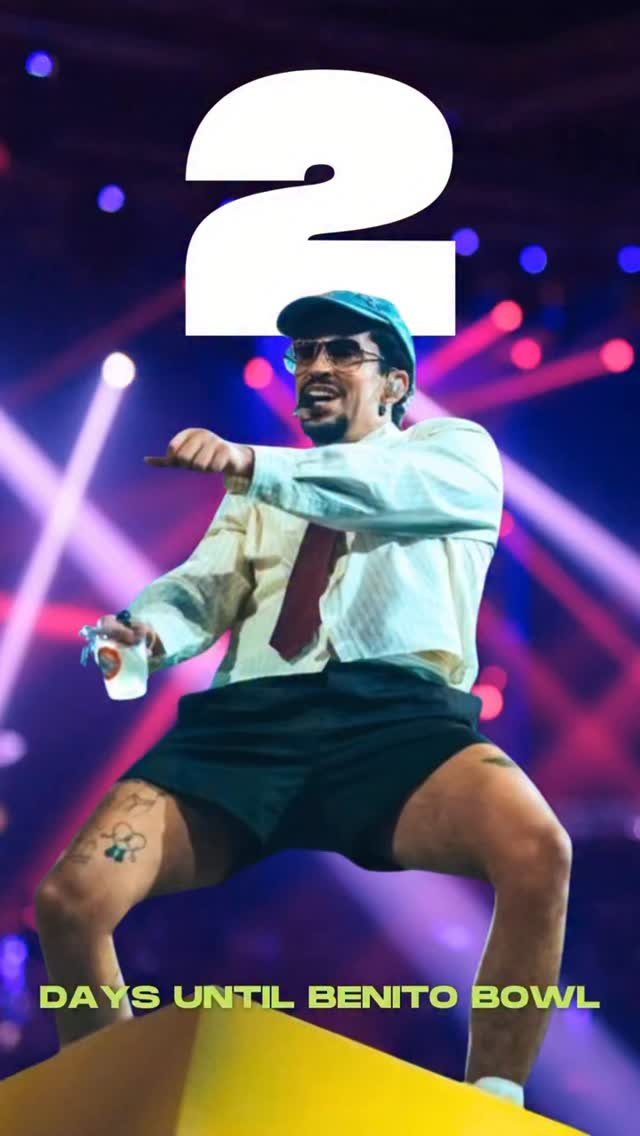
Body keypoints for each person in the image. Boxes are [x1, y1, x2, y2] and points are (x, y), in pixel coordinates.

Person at [35, 290, 571, 1109]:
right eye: (305, 354)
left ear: (395, 383)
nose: (316, 366)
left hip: (397, 718)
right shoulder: (260, 487)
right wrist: (144, 631)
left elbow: (374, 487)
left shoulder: (452, 453)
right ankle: (112, 1112)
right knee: (70, 902)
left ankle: (490, 1111)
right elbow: (204, 587)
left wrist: (252, 462)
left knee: (538, 850)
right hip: (249, 723)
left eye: (341, 351)